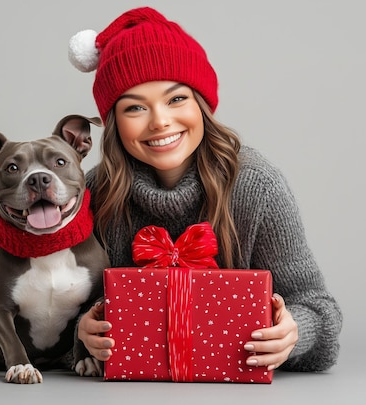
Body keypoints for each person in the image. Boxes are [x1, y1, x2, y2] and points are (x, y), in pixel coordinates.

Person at [67, 6, 342, 372]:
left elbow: (319, 306)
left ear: (202, 103)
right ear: (113, 120)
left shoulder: (257, 187)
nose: (160, 121)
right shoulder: (95, 192)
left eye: (176, 98)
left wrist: (295, 332)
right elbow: (56, 310)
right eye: (135, 108)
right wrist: (82, 332)